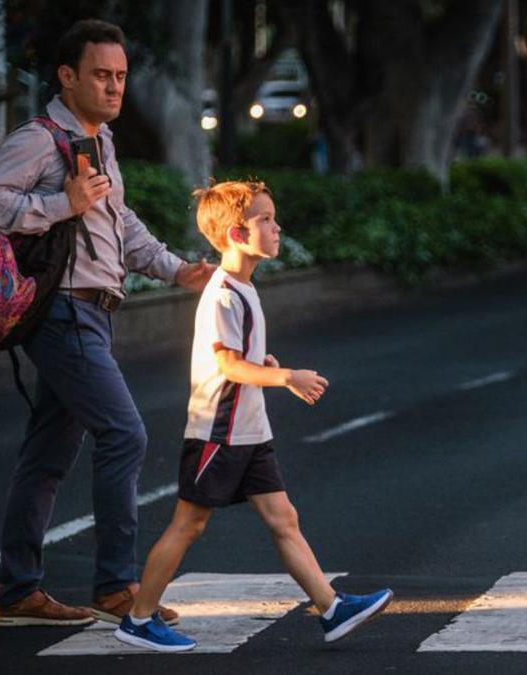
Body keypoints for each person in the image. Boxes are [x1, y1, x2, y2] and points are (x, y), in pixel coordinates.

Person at [0, 19, 216, 626]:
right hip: (63, 311)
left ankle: (19, 590)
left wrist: (176, 269)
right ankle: (115, 586)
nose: (113, 87)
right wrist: (62, 204)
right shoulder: (39, 138)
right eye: (101, 75)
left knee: (48, 453)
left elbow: (119, 225)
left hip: (93, 314)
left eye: (121, 77)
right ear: (67, 75)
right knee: (124, 434)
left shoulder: (97, 142)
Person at [112, 181, 393, 652]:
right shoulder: (224, 293)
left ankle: (331, 608)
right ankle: (139, 620)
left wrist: (262, 365)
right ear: (238, 235)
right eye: (265, 220)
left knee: (284, 517)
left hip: (248, 432)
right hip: (218, 433)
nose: (277, 226)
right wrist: (285, 377)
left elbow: (237, 358)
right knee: (189, 525)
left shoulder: (242, 288)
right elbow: (225, 364)